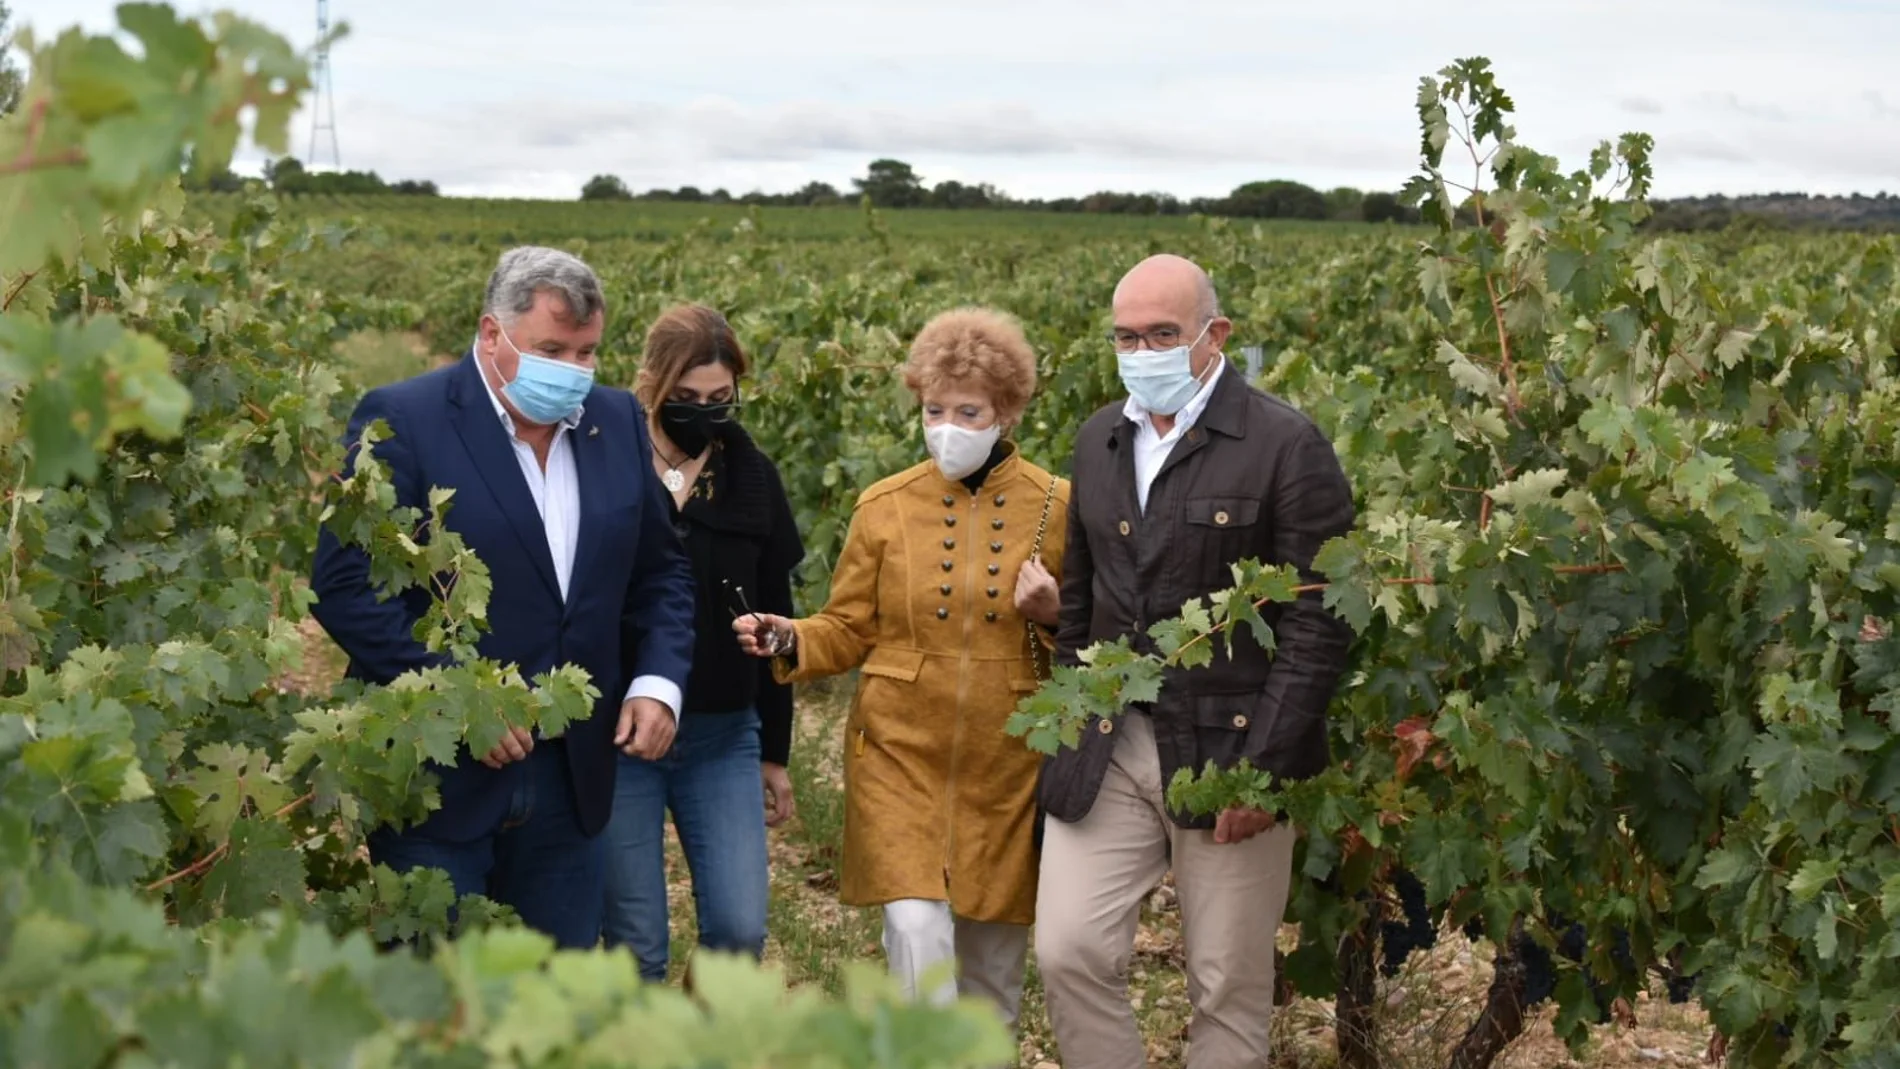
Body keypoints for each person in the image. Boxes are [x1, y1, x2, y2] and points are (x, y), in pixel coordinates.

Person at [310, 246, 696, 950]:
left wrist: (657, 680)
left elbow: (661, 572)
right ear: (493, 335)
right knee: (434, 1006)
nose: (575, 370)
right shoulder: (403, 417)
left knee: (548, 1007)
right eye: (553, 349)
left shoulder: (615, 421)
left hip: (571, 776)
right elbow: (342, 584)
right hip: (439, 782)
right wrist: (459, 699)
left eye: (588, 351)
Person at [1032, 254, 1356, 1069]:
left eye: (1162, 334)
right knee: (1068, 950)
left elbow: (1320, 621)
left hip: (1229, 752)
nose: (1142, 351)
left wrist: (1264, 770)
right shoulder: (1099, 437)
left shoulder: (1287, 444)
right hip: (1111, 741)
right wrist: (1070, 717)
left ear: (1215, 335)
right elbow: (1082, 599)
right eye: (1126, 336)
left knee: (1225, 982)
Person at [732, 307, 1067, 1034]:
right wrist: (789, 636)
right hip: (897, 751)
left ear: (1007, 410)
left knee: (991, 969)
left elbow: (1093, 633)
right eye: (933, 408)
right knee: (917, 933)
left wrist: (1054, 610)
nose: (947, 424)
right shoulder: (883, 506)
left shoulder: (1058, 505)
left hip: (1008, 763)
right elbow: (848, 627)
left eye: (968, 410)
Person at [601, 304, 805, 982]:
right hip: (621, 737)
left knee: (740, 932)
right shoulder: (608, 463)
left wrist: (774, 751)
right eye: (685, 400)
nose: (705, 413)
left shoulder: (752, 479)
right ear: (651, 385)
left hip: (723, 734)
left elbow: (782, 621)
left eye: (720, 399)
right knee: (636, 943)